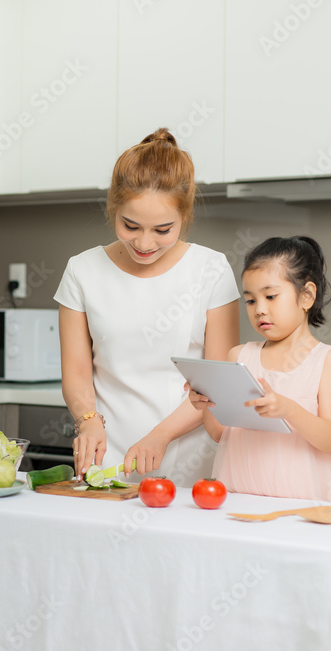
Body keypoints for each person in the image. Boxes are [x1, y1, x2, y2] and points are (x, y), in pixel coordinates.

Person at [54, 128, 239, 484]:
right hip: (107, 454)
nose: (144, 242)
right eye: (131, 225)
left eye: (163, 229)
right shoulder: (83, 270)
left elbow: (217, 383)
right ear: (113, 208)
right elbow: (77, 371)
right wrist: (87, 421)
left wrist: (161, 436)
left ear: (184, 216)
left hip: (190, 456)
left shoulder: (210, 269)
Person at [188, 236, 331, 504]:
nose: (260, 309)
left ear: (306, 295)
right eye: (250, 301)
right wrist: (205, 403)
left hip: (305, 503)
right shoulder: (239, 356)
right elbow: (220, 435)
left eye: (271, 296)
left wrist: (288, 409)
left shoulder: (325, 360)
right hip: (242, 496)